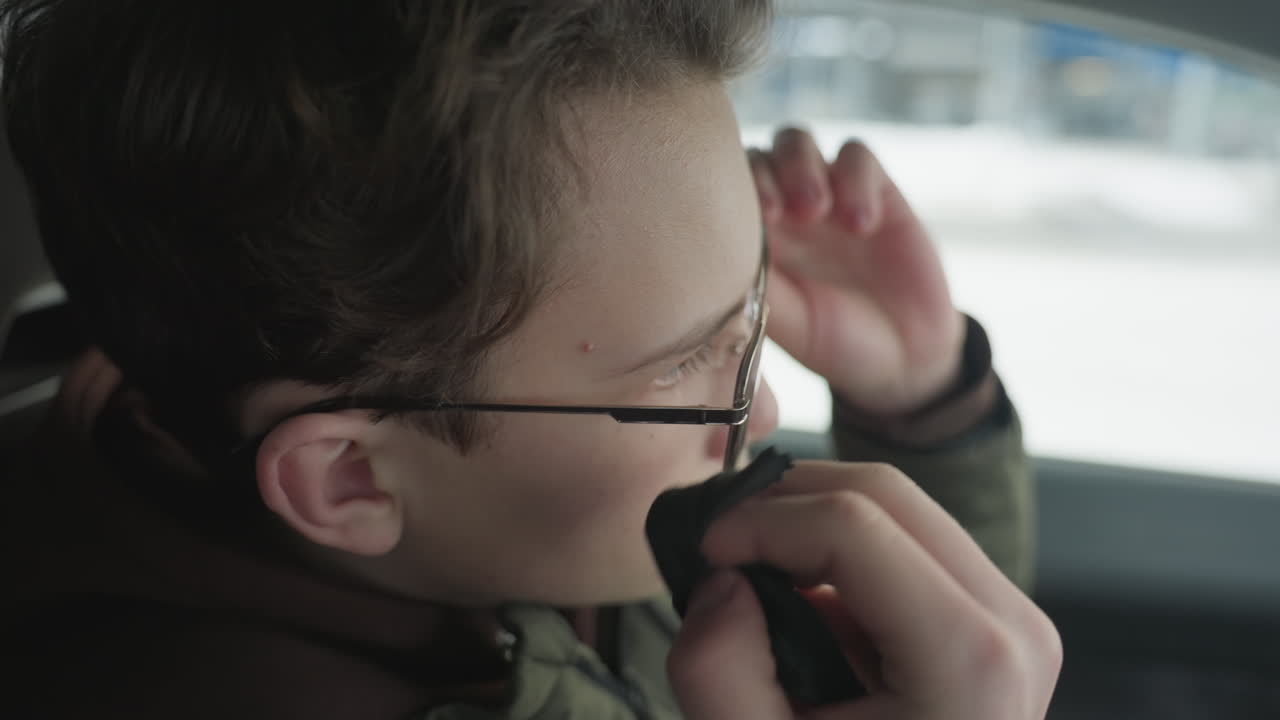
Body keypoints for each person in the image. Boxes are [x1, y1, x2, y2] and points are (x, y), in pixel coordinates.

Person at [0, 1, 1060, 718]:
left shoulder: (529, 504)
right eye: (686, 364)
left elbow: (922, 662)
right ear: (348, 477)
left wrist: (922, 405)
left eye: (749, 312)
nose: (769, 404)